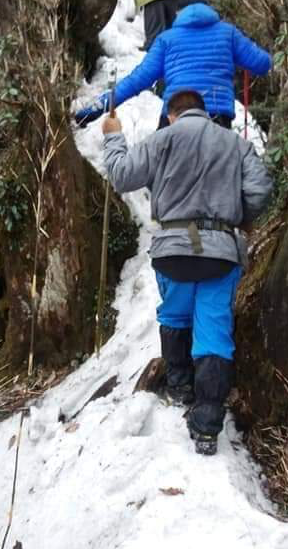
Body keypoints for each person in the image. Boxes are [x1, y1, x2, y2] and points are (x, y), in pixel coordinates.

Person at [102, 89, 273, 456]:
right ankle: (208, 426)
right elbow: (260, 191)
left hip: (172, 252)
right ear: (205, 112)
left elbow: (120, 176)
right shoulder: (233, 143)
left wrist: (113, 134)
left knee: (176, 315)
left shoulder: (161, 140)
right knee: (213, 330)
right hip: (220, 254)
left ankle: (180, 388)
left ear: (172, 115)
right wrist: (234, 218)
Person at [75, 1, 271, 130]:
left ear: (179, 16)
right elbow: (262, 64)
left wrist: (99, 106)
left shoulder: (167, 39)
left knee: (164, 175)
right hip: (216, 117)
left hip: (175, 117)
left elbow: (138, 79)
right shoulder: (228, 33)